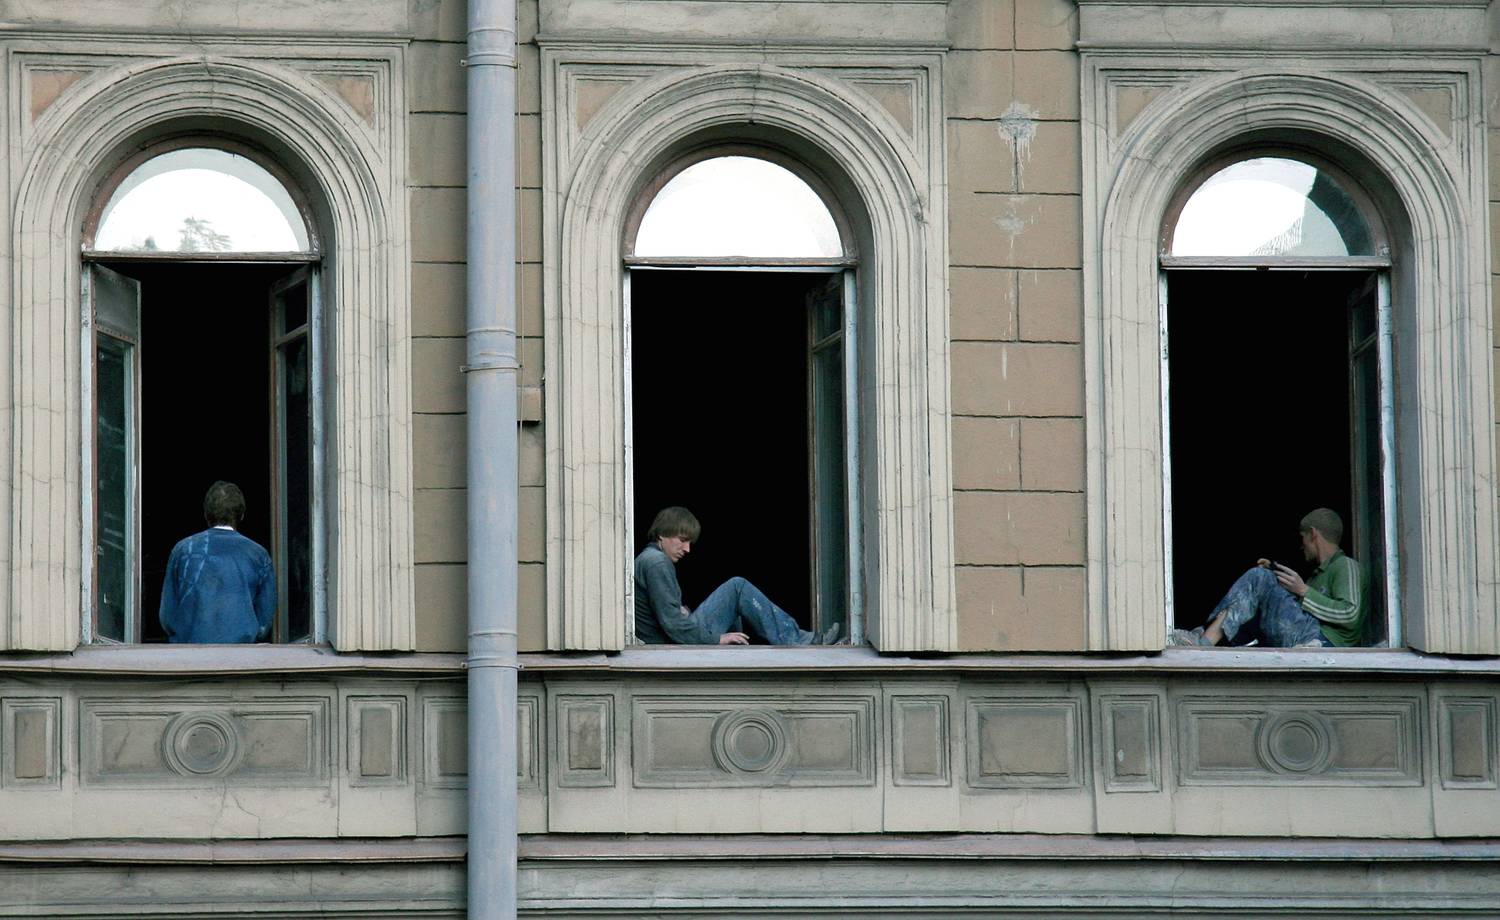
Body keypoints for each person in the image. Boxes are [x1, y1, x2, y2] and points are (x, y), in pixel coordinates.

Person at [634, 506, 841, 646]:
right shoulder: (657, 562)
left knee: (732, 605)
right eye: (682, 540)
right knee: (737, 588)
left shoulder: (647, 559)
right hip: (673, 647)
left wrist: (682, 612)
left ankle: (737, 657)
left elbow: (669, 617)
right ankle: (803, 641)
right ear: (661, 534)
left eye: (690, 542)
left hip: (671, 642)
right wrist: (718, 639)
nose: (687, 549)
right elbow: (673, 625)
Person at [1169, 508, 1368, 648]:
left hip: (1325, 643)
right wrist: (1275, 575)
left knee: (1258, 577)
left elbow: (1350, 614)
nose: (1302, 546)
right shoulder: (1317, 575)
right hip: (1308, 638)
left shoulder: (1345, 565)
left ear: (1313, 535)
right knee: (1261, 582)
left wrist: (1303, 591)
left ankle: (1204, 643)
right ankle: (1210, 641)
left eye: (1303, 538)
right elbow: (1304, 608)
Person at [159, 481, 277, 643]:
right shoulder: (258, 554)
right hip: (242, 653)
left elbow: (167, 615)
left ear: (206, 514)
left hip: (188, 652)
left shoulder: (183, 550)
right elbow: (264, 618)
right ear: (242, 515)